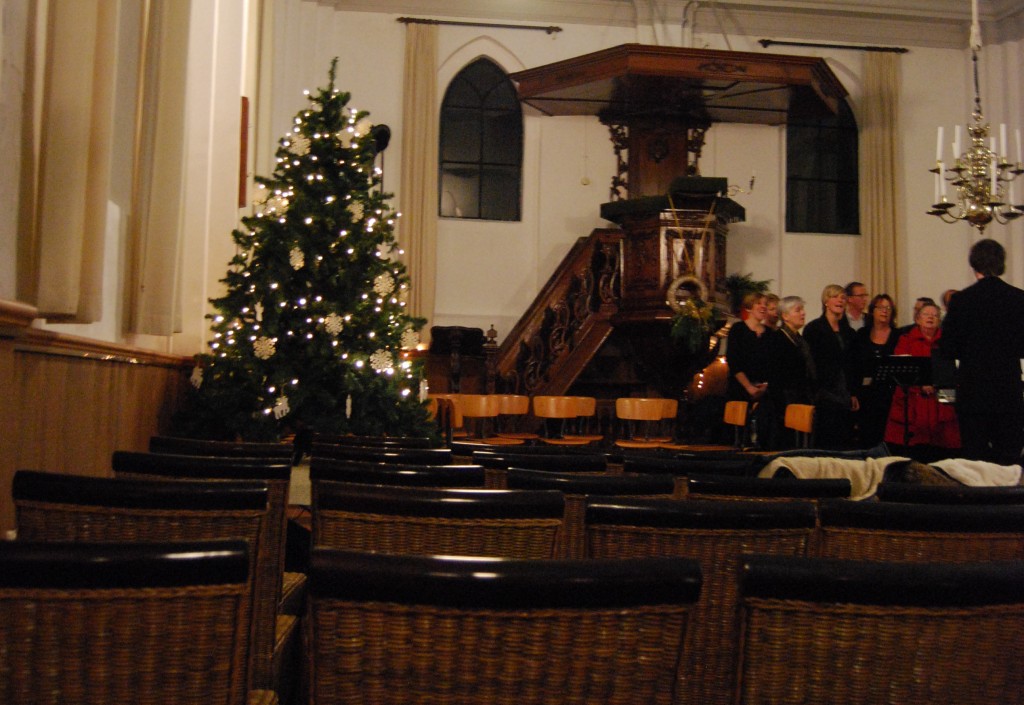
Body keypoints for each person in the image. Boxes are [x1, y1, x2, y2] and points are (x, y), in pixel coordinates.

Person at [939, 238, 1024, 465]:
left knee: (975, 462)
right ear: (1001, 263)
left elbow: (947, 349)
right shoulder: (1019, 298)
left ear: (973, 265)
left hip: (973, 392)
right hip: (1007, 390)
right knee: (1009, 461)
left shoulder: (961, 300)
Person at [883, 302, 960, 462]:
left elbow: (952, 371)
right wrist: (921, 383)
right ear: (917, 319)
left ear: (939, 320)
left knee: (943, 451)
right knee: (911, 452)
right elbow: (901, 369)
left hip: (941, 400)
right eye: (926, 314)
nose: (931, 317)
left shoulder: (947, 342)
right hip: (913, 400)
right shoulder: (906, 340)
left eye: (935, 315)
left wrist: (936, 384)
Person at [803, 284, 859, 449]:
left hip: (844, 391)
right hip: (824, 391)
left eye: (843, 298)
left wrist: (853, 392)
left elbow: (852, 364)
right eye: (835, 297)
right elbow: (810, 363)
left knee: (845, 438)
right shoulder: (814, 329)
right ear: (826, 301)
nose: (840, 300)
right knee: (826, 438)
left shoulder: (849, 332)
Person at [726, 292, 776, 448]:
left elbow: (773, 363)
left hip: (763, 388)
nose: (763, 307)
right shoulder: (738, 329)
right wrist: (748, 387)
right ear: (749, 308)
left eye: (765, 304)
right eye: (759, 303)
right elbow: (734, 361)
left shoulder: (770, 334)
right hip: (741, 387)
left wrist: (765, 385)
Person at [769, 295, 815, 448]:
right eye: (798, 310)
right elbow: (776, 375)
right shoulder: (777, 340)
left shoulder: (800, 340)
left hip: (801, 398)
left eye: (802, 309)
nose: (803, 313)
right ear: (785, 316)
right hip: (785, 402)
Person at [854, 294, 899, 447]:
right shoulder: (861, 334)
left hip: (889, 394)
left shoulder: (898, 335)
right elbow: (854, 365)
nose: (884, 311)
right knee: (866, 436)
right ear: (872, 311)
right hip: (866, 394)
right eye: (880, 307)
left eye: (888, 308)